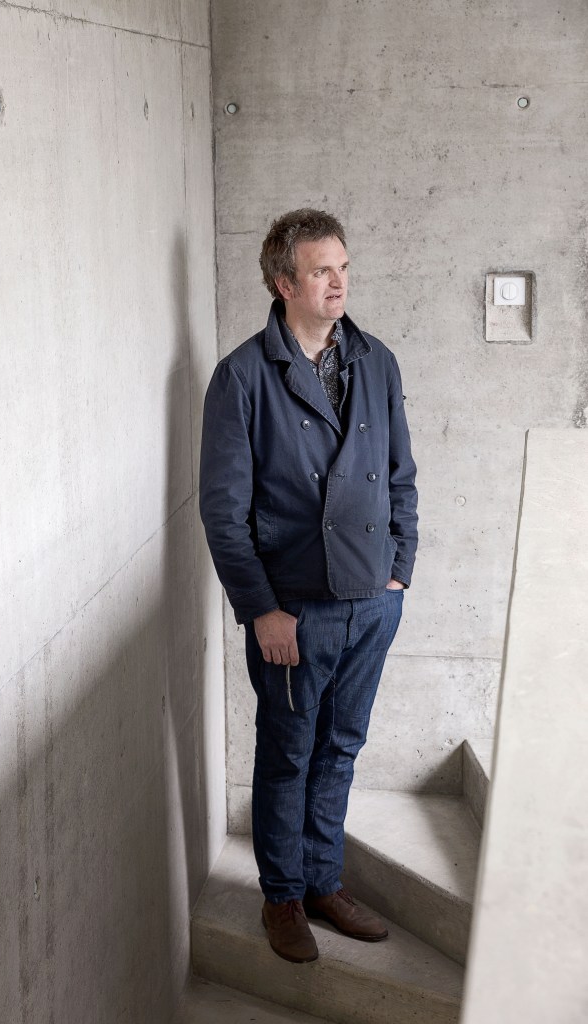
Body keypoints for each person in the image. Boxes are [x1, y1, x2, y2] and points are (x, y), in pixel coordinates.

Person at [199, 209, 418, 964]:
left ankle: (324, 881)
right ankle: (283, 896)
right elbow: (223, 511)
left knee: (341, 749)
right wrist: (262, 609)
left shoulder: (376, 360)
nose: (338, 282)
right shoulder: (242, 376)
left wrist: (400, 570)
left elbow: (400, 474)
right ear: (283, 283)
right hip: (294, 608)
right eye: (321, 270)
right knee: (288, 754)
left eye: (343, 267)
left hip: (372, 599)